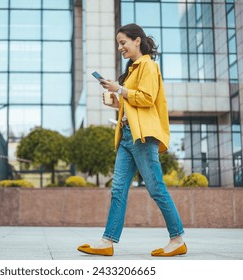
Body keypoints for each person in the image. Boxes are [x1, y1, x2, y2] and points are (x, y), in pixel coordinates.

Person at [77, 23, 186, 257]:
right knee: (117, 189)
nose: (120, 47)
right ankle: (107, 241)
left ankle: (177, 239)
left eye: (123, 42)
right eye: (118, 43)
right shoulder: (133, 69)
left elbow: (147, 99)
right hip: (128, 136)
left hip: (143, 137)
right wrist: (116, 102)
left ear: (137, 40)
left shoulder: (148, 65)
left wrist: (120, 89)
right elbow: (133, 104)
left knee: (156, 188)